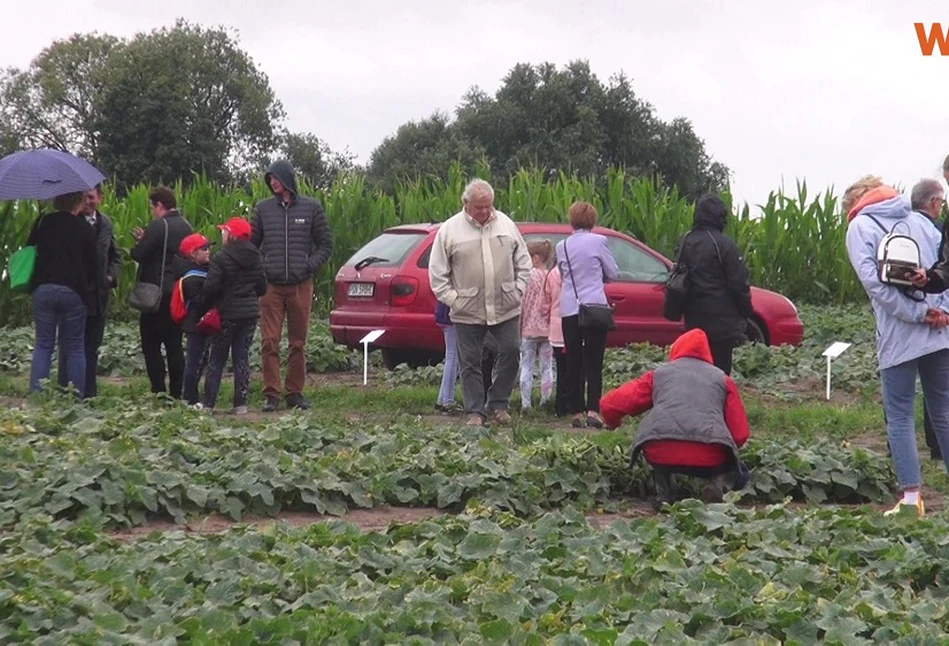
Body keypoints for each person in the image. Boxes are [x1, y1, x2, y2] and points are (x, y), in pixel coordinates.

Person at [846, 181, 949, 517]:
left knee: (900, 416)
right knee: (944, 413)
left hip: (898, 335)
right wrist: (940, 313)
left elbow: (875, 286)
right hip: (938, 332)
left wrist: (916, 314)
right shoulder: (918, 219)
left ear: (855, 201)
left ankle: (911, 501)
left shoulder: (860, 227)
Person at [600, 328, 750, 508]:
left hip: (661, 451)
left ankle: (666, 493)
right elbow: (739, 435)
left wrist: (612, 422)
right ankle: (717, 484)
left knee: (656, 447)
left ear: (676, 349)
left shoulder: (659, 375)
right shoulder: (722, 379)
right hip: (710, 457)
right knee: (742, 474)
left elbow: (611, 404)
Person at [428, 178, 532, 427]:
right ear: (466, 203)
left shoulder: (506, 225)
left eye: (489, 206)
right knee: (470, 362)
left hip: (505, 306)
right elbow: (437, 273)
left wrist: (517, 290)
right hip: (467, 310)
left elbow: (524, 263)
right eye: (479, 207)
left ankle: (499, 402)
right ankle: (474, 412)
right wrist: (454, 300)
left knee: (511, 351)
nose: (485, 212)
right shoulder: (450, 230)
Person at [251, 160, 333, 413]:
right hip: (271, 287)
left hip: (301, 285)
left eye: (275, 178)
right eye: (270, 179)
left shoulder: (311, 208)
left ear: (287, 179)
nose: (272, 183)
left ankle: (294, 393)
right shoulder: (263, 209)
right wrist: (263, 267)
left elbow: (325, 245)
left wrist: (308, 266)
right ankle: (271, 395)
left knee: (298, 342)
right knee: (269, 341)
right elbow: (252, 246)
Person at [27, 191, 97, 398]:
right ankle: (75, 398)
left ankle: (38, 396)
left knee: (43, 345)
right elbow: (94, 264)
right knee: (75, 346)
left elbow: (29, 249)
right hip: (73, 291)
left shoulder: (43, 222)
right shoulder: (84, 227)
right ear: (77, 202)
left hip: (43, 288)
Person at [556, 201, 618, 429]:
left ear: (571, 220)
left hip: (570, 308)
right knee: (594, 360)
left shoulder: (561, 246)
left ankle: (575, 411)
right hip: (594, 308)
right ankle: (593, 409)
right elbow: (613, 272)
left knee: (573, 359)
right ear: (593, 220)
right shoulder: (599, 241)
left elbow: (563, 273)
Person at [675, 194, 752, 376]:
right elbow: (738, 283)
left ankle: (698, 400)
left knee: (696, 364)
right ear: (720, 217)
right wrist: (745, 312)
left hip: (692, 316)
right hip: (721, 319)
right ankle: (717, 402)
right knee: (720, 369)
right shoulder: (724, 244)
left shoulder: (686, 240)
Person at [56, 185, 119, 399]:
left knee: (91, 347)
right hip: (75, 293)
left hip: (99, 296)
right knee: (69, 345)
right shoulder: (70, 221)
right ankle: (66, 391)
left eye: (91, 197)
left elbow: (114, 255)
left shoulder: (106, 223)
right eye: (84, 198)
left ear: (100, 198)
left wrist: (111, 276)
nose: (88, 202)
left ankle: (89, 393)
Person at [199, 217, 267, 413]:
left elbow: (211, 287)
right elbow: (262, 288)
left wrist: (204, 300)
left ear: (231, 235)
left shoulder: (220, 257)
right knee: (241, 357)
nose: (222, 234)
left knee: (217, 359)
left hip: (225, 314)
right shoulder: (257, 256)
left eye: (224, 231)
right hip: (249, 315)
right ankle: (240, 404)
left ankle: (209, 404)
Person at [130, 186, 193, 398]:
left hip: (155, 295)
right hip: (178, 292)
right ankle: (177, 392)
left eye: (152, 207)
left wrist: (140, 243)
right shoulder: (186, 226)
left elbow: (139, 254)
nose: (151, 212)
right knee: (174, 344)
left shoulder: (158, 225)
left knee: (151, 345)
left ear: (159, 206)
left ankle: (159, 390)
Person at [909, 178, 947, 460]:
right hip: (938, 314)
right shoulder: (935, 231)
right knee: (939, 390)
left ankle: (932, 444)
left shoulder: (901, 227)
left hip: (917, 313)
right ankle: (938, 446)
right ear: (934, 202)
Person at [172, 233, 213, 406]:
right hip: (196, 324)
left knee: (200, 360)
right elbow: (200, 301)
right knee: (194, 362)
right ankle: (190, 398)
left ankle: (190, 396)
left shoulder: (200, 270)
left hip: (200, 323)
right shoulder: (191, 277)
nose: (209, 251)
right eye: (204, 249)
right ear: (192, 254)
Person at [519, 240, 555, 411]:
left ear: (535, 258)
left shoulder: (527, 276)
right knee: (546, 367)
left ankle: (525, 403)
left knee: (526, 365)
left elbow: (522, 302)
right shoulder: (550, 276)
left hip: (528, 329)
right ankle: (545, 401)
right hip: (547, 330)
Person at [543, 255, 569, 417]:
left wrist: (548, 316)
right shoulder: (575, 274)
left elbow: (544, 302)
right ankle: (572, 403)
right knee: (575, 369)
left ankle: (559, 406)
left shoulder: (552, 274)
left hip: (556, 327)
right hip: (573, 326)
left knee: (561, 368)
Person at [434, 300, 461, 414]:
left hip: (443, 313)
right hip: (451, 316)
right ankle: (447, 401)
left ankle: (442, 399)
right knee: (452, 357)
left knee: (451, 356)